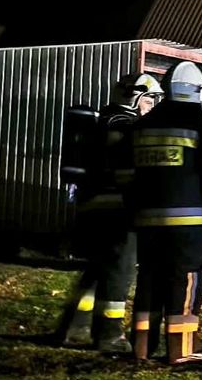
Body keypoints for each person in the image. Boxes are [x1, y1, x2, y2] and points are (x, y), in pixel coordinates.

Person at [128, 61, 202, 364]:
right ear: (197, 91)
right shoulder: (200, 125)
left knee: (149, 279)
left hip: (147, 220)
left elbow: (125, 173)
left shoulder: (143, 125)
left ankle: (141, 348)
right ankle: (182, 350)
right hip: (188, 223)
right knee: (184, 281)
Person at [60, 73, 163, 353]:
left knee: (97, 270)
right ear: (136, 97)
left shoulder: (102, 121)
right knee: (119, 272)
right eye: (151, 98)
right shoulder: (126, 126)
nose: (153, 104)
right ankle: (109, 334)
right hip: (118, 211)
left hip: (93, 207)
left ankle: (73, 327)